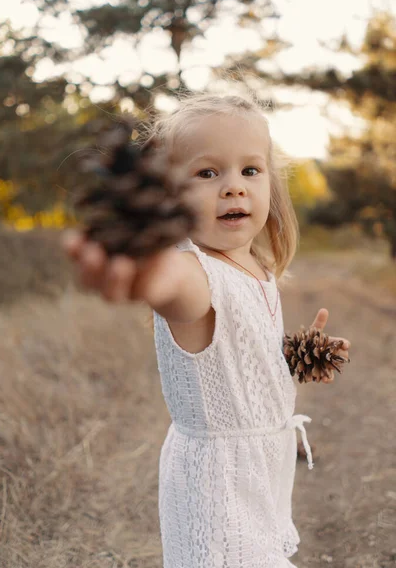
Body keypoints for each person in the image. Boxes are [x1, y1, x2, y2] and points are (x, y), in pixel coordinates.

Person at [62, 92, 350, 568]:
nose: (233, 188)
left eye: (250, 171)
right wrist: (146, 269)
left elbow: (236, 356)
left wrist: (298, 353)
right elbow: (176, 289)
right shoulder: (192, 273)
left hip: (260, 477)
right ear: (168, 198)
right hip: (218, 488)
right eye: (207, 173)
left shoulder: (254, 266)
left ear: (271, 186)